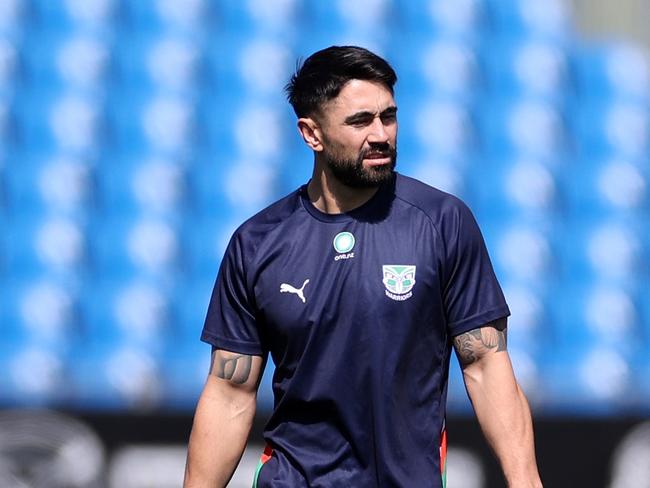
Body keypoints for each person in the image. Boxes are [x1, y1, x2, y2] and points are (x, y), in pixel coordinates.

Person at [184, 45, 542, 488]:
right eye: (360, 121)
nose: (381, 134)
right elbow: (230, 392)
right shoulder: (257, 242)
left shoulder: (442, 222)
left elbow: (486, 365)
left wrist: (526, 482)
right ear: (311, 134)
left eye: (387, 117)